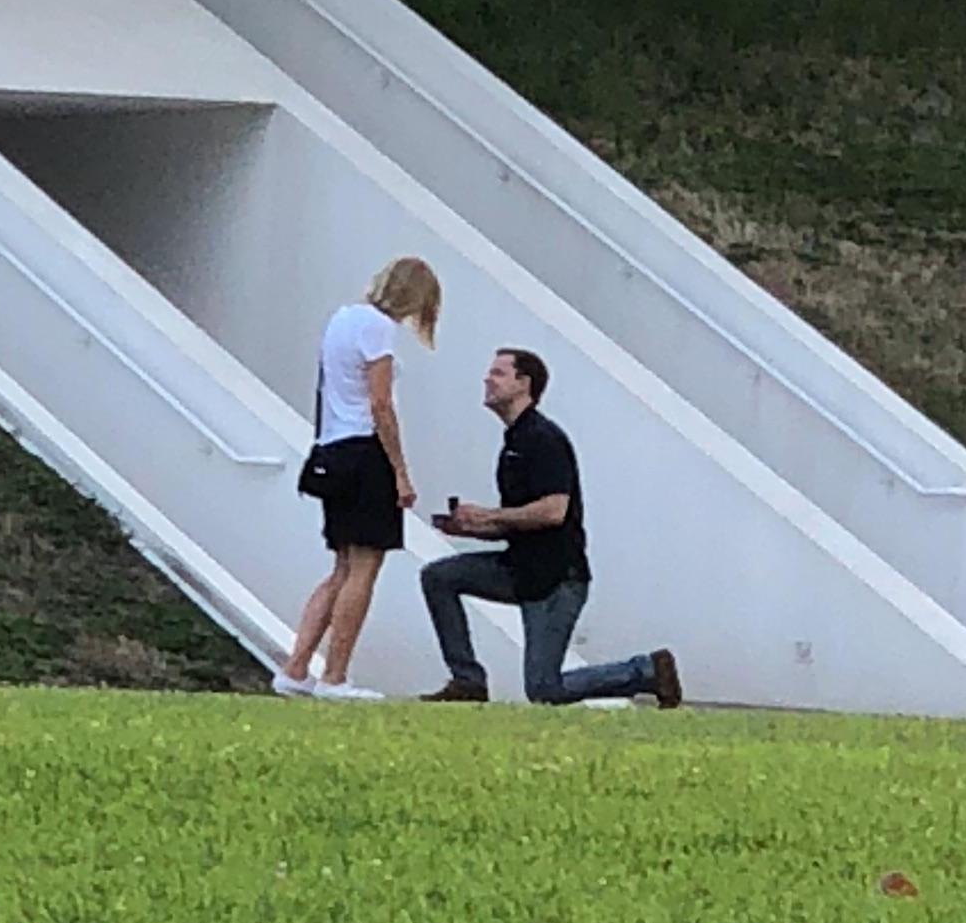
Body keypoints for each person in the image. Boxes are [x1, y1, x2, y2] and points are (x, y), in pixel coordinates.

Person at [420, 347, 683, 709]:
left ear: (523, 383)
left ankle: (645, 670)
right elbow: (520, 521)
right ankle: (467, 679)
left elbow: (554, 511)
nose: (487, 380)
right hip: (521, 569)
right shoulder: (514, 441)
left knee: (545, 688)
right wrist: (471, 528)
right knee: (438, 577)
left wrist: (491, 516)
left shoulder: (543, 438)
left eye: (498, 373)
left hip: (557, 578)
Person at [276, 255, 440, 700]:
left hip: (333, 449)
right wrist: (401, 473)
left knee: (341, 567)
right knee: (365, 568)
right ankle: (335, 675)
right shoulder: (378, 330)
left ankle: (296, 667)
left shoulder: (342, 319)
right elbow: (380, 405)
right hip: (366, 454)